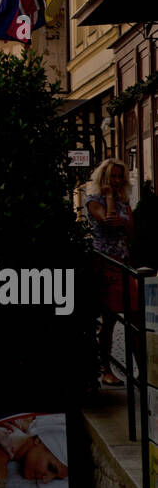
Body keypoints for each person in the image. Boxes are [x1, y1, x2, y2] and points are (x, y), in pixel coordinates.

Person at [85, 158, 134, 387]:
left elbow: (131, 228)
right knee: (110, 319)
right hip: (104, 263)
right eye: (112, 176)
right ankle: (106, 369)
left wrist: (120, 217)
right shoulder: (94, 200)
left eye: (118, 177)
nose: (116, 181)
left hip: (123, 262)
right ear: (104, 178)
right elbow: (109, 222)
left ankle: (141, 371)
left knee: (134, 316)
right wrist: (110, 198)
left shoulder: (125, 202)